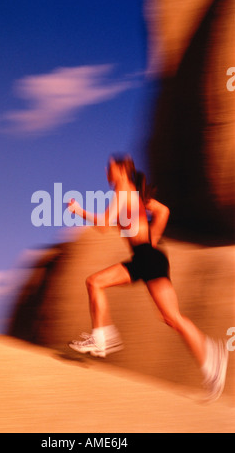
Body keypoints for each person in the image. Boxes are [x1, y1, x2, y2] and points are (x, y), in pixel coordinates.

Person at [68, 153, 228, 402]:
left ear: (122, 169)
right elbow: (163, 210)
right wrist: (152, 238)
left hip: (148, 259)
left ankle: (212, 359)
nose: (106, 173)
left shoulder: (124, 192)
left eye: (109, 168)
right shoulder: (136, 194)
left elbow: (103, 224)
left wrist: (79, 210)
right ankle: (210, 360)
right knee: (96, 282)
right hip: (145, 258)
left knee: (172, 317)